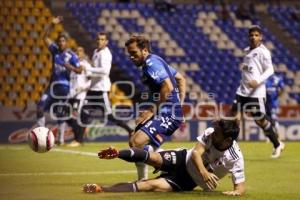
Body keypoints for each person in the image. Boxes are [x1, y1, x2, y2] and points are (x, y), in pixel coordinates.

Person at [83, 119, 246, 196]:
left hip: (188, 181)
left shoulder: (235, 157)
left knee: (150, 185)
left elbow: (240, 187)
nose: (212, 133)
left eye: (217, 133)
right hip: (184, 158)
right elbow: (196, 153)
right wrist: (204, 171)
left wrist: (236, 193)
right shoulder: (211, 133)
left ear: (227, 140)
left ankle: (101, 189)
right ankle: (118, 153)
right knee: (152, 157)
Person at [124, 34, 186, 180]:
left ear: (144, 50)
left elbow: (168, 86)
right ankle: (145, 178)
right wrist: (180, 105)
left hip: (167, 113)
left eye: (134, 53)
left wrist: (152, 110)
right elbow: (181, 78)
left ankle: (173, 163)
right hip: (168, 111)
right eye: (129, 54)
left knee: (136, 142)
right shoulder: (156, 60)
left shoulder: (152, 63)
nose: (131, 57)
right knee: (135, 140)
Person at [230, 25, 284, 158]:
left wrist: (257, 80)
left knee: (260, 121)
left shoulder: (263, 52)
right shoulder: (247, 50)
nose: (253, 37)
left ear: (261, 37)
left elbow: (270, 69)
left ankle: (277, 144)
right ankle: (231, 150)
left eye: (256, 35)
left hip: (256, 92)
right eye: (251, 35)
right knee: (234, 119)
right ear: (248, 37)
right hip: (242, 91)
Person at [36, 16, 82, 145]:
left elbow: (80, 70)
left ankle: (60, 140)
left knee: (61, 114)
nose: (61, 43)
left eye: (63, 41)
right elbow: (44, 37)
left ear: (67, 42)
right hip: (51, 87)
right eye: (59, 41)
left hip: (64, 87)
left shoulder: (72, 55)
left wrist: (69, 66)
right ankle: (42, 136)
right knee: (39, 109)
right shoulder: (55, 51)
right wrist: (51, 23)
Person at [78, 32, 133, 137]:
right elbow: (95, 69)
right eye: (98, 39)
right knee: (84, 111)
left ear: (106, 42)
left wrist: (88, 68)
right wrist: (87, 72)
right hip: (93, 88)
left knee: (109, 116)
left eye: (102, 39)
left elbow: (105, 71)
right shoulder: (95, 51)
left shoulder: (106, 54)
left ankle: (130, 130)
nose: (100, 41)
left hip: (101, 90)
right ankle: (78, 139)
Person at [67, 46, 92, 147]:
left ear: (83, 53)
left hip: (80, 95)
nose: (78, 53)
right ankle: (80, 136)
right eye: (76, 51)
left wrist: (82, 88)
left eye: (80, 51)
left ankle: (77, 140)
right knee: (68, 116)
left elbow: (90, 81)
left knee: (74, 115)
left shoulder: (86, 65)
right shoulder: (73, 66)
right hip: (71, 95)